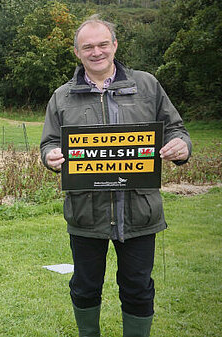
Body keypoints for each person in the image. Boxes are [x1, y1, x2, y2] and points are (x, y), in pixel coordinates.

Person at [40, 15, 191, 337]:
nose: (96, 52)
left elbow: (176, 129)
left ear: (115, 45)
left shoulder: (147, 85)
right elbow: (50, 142)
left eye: (102, 44)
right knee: (84, 286)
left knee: (137, 287)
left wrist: (182, 146)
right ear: (78, 53)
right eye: (88, 47)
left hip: (140, 211)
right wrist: (50, 157)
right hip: (85, 212)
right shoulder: (62, 96)